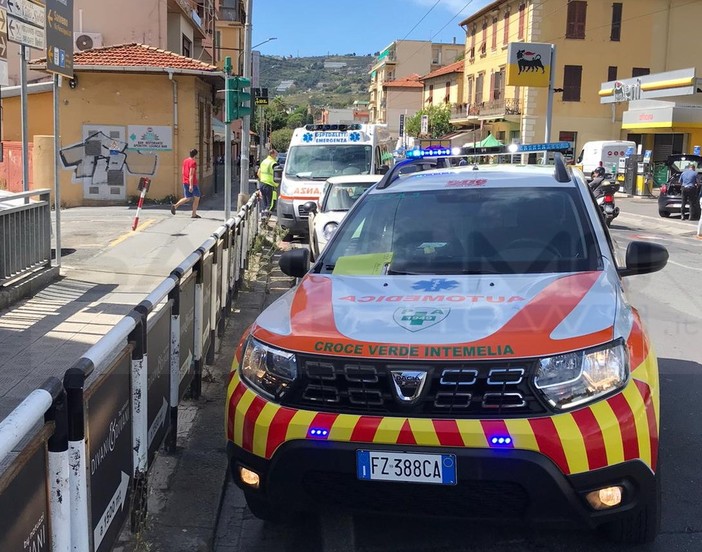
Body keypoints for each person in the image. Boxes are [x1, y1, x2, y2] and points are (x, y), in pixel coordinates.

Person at [171, 149, 201, 218]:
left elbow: (183, 171)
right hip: (192, 183)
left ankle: (175, 206)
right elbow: (191, 174)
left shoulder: (185, 161)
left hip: (185, 181)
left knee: (187, 198)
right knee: (197, 197)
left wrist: (185, 180)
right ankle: (194, 214)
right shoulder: (193, 163)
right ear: (195, 155)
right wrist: (191, 185)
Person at [257, 148, 278, 218]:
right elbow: (277, 175)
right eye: (275, 154)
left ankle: (263, 217)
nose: (276, 156)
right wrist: (276, 184)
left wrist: (263, 179)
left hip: (262, 183)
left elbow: (258, 173)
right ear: (272, 154)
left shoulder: (263, 162)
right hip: (270, 185)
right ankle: (266, 219)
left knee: (265, 203)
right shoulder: (273, 163)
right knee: (271, 204)